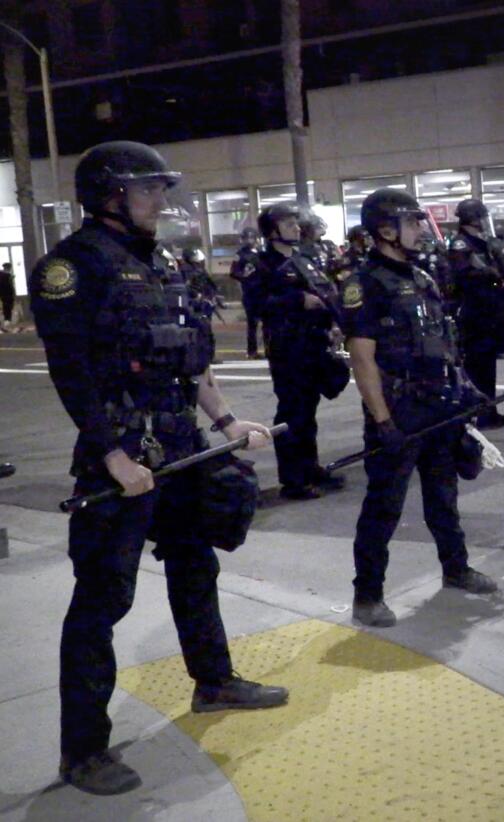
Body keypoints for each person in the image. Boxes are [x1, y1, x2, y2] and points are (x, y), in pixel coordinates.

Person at [28, 141, 287, 796]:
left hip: (179, 445)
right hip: (121, 454)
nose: (161, 200)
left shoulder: (161, 260)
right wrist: (113, 454)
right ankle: (82, 751)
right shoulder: (72, 265)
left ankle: (215, 681)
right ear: (111, 196)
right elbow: (73, 371)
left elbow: (191, 352)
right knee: (103, 599)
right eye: (149, 190)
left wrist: (227, 423)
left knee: (196, 567)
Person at [341, 188, 498, 627]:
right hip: (399, 410)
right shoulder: (365, 283)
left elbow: (444, 344)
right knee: (384, 507)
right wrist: (382, 419)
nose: (419, 230)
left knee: (443, 497)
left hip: (439, 405)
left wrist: (465, 391)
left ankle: (456, 568)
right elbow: (362, 358)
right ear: (385, 230)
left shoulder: (423, 277)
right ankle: (367, 595)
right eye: (411, 223)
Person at [258, 202, 346, 500]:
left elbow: (326, 293)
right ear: (273, 231)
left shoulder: (304, 260)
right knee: (292, 411)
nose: (296, 228)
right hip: (288, 347)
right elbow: (257, 305)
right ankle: (293, 479)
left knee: (308, 411)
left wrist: (334, 323)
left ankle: (310, 467)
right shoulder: (262, 264)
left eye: (296, 223)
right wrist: (297, 300)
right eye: (288, 224)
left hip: (314, 343)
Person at [448, 199, 504, 430]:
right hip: (475, 314)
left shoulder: (482, 243)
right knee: (477, 366)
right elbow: (463, 276)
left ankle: (489, 409)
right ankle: (478, 413)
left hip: (490, 313)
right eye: (481, 218)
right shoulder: (461, 245)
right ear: (471, 219)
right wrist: (489, 272)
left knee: (488, 366)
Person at [230, 226, 266, 358]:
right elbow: (233, 272)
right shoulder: (240, 255)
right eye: (247, 238)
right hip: (250, 292)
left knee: (268, 323)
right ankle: (252, 351)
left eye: (252, 237)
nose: (250, 240)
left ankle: (269, 348)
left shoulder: (262, 253)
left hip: (263, 292)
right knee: (252, 323)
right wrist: (244, 275)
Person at [0, 261, 15, 331]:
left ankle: (6, 322)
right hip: (6, 294)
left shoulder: (3, 274)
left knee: (7, 307)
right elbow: (10, 287)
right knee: (7, 307)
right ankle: (6, 322)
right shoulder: (7, 275)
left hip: (5, 294)